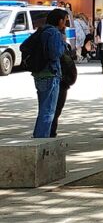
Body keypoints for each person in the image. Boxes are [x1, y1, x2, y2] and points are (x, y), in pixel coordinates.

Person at [30, 8, 70, 138]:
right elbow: (55, 54)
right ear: (59, 21)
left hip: (40, 74)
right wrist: (63, 44)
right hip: (50, 74)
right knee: (48, 111)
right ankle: (41, 139)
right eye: (65, 21)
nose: (65, 24)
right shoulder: (54, 33)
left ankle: (38, 136)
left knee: (43, 108)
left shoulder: (42, 30)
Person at [50, 40, 77, 137]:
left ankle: (43, 133)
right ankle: (50, 133)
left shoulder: (42, 39)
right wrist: (67, 80)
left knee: (46, 109)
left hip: (44, 78)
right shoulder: (61, 49)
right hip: (60, 82)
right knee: (55, 110)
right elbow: (70, 67)